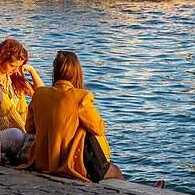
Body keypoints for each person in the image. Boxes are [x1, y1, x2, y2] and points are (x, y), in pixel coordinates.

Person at [24, 50, 125, 182]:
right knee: (116, 171)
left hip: (43, 162)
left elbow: (30, 128)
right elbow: (99, 129)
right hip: (72, 165)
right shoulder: (81, 97)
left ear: (55, 71)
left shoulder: (39, 94)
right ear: (77, 72)